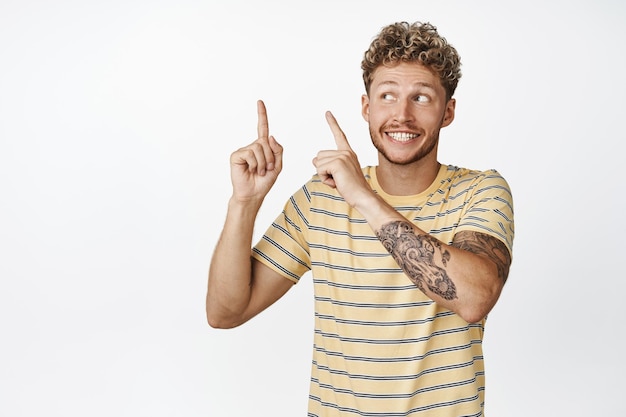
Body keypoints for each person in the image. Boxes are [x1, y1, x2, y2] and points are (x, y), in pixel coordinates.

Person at [207, 21, 514, 416]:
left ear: (448, 111)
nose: (402, 115)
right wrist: (244, 203)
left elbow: (474, 298)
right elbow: (225, 312)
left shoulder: (481, 190)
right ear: (367, 107)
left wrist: (362, 197)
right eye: (387, 96)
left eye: (421, 97)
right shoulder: (320, 199)